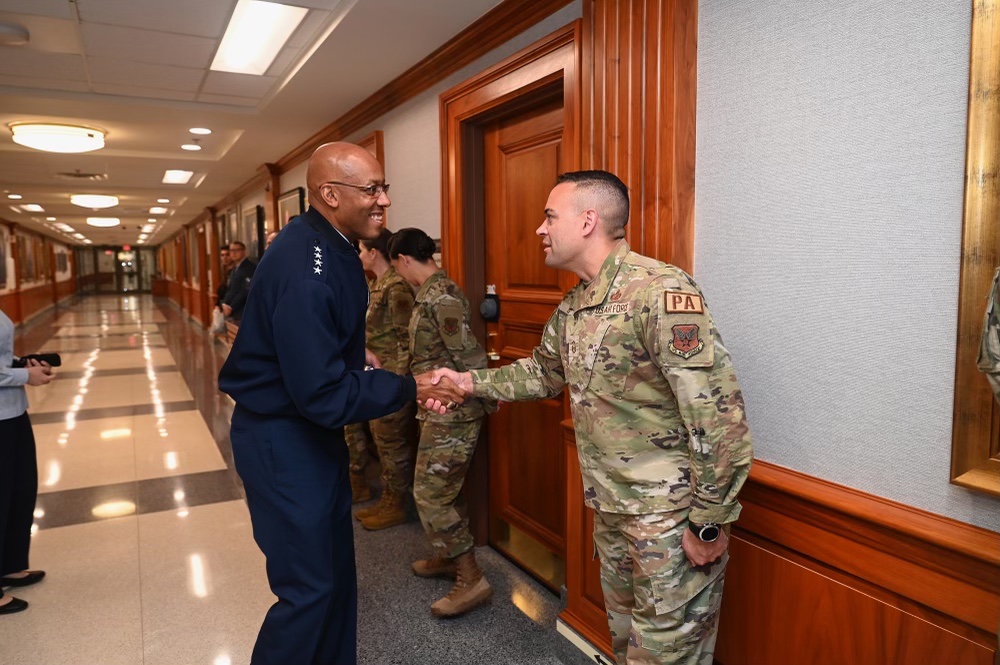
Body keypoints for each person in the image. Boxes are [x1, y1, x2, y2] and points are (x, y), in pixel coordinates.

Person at [431, 171, 753, 664]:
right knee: (626, 644)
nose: (540, 229)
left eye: (549, 216)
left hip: (668, 520)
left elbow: (716, 413)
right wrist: (466, 383)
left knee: (668, 655)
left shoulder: (659, 292)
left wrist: (709, 522)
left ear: (587, 221)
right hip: (613, 509)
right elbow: (542, 373)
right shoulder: (575, 304)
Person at [218, 142, 462, 665]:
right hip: (284, 441)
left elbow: (317, 350)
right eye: (371, 189)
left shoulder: (324, 243)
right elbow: (323, 395)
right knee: (309, 592)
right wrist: (410, 386)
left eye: (384, 187)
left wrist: (354, 354)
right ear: (329, 193)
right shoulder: (309, 267)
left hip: (305, 435)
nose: (383, 201)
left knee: (335, 579)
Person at [389, 227, 496, 618]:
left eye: (396, 266)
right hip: (436, 408)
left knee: (431, 495)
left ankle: (471, 577)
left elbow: (468, 356)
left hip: (453, 412)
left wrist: (485, 398)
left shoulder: (442, 296)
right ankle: (447, 556)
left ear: (402, 260)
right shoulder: (431, 294)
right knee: (444, 491)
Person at [347, 229, 420, 528]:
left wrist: (398, 385)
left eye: (363, 250)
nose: (360, 255)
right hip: (375, 375)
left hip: (392, 377)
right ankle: (384, 498)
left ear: (374, 252)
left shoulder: (396, 287)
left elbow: (407, 339)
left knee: (392, 444)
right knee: (379, 438)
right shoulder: (377, 285)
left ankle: (396, 504)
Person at [0, 307, 54, 615]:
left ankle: (10, 564)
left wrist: (23, 364)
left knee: (20, 489)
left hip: (12, 410)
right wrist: (24, 375)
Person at [221, 241, 257, 322]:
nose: (233, 253)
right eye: (231, 251)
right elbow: (231, 289)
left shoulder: (249, 267)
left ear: (244, 251)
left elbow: (246, 290)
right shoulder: (235, 268)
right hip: (233, 311)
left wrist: (231, 307)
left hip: (243, 310)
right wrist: (224, 303)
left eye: (236, 250)